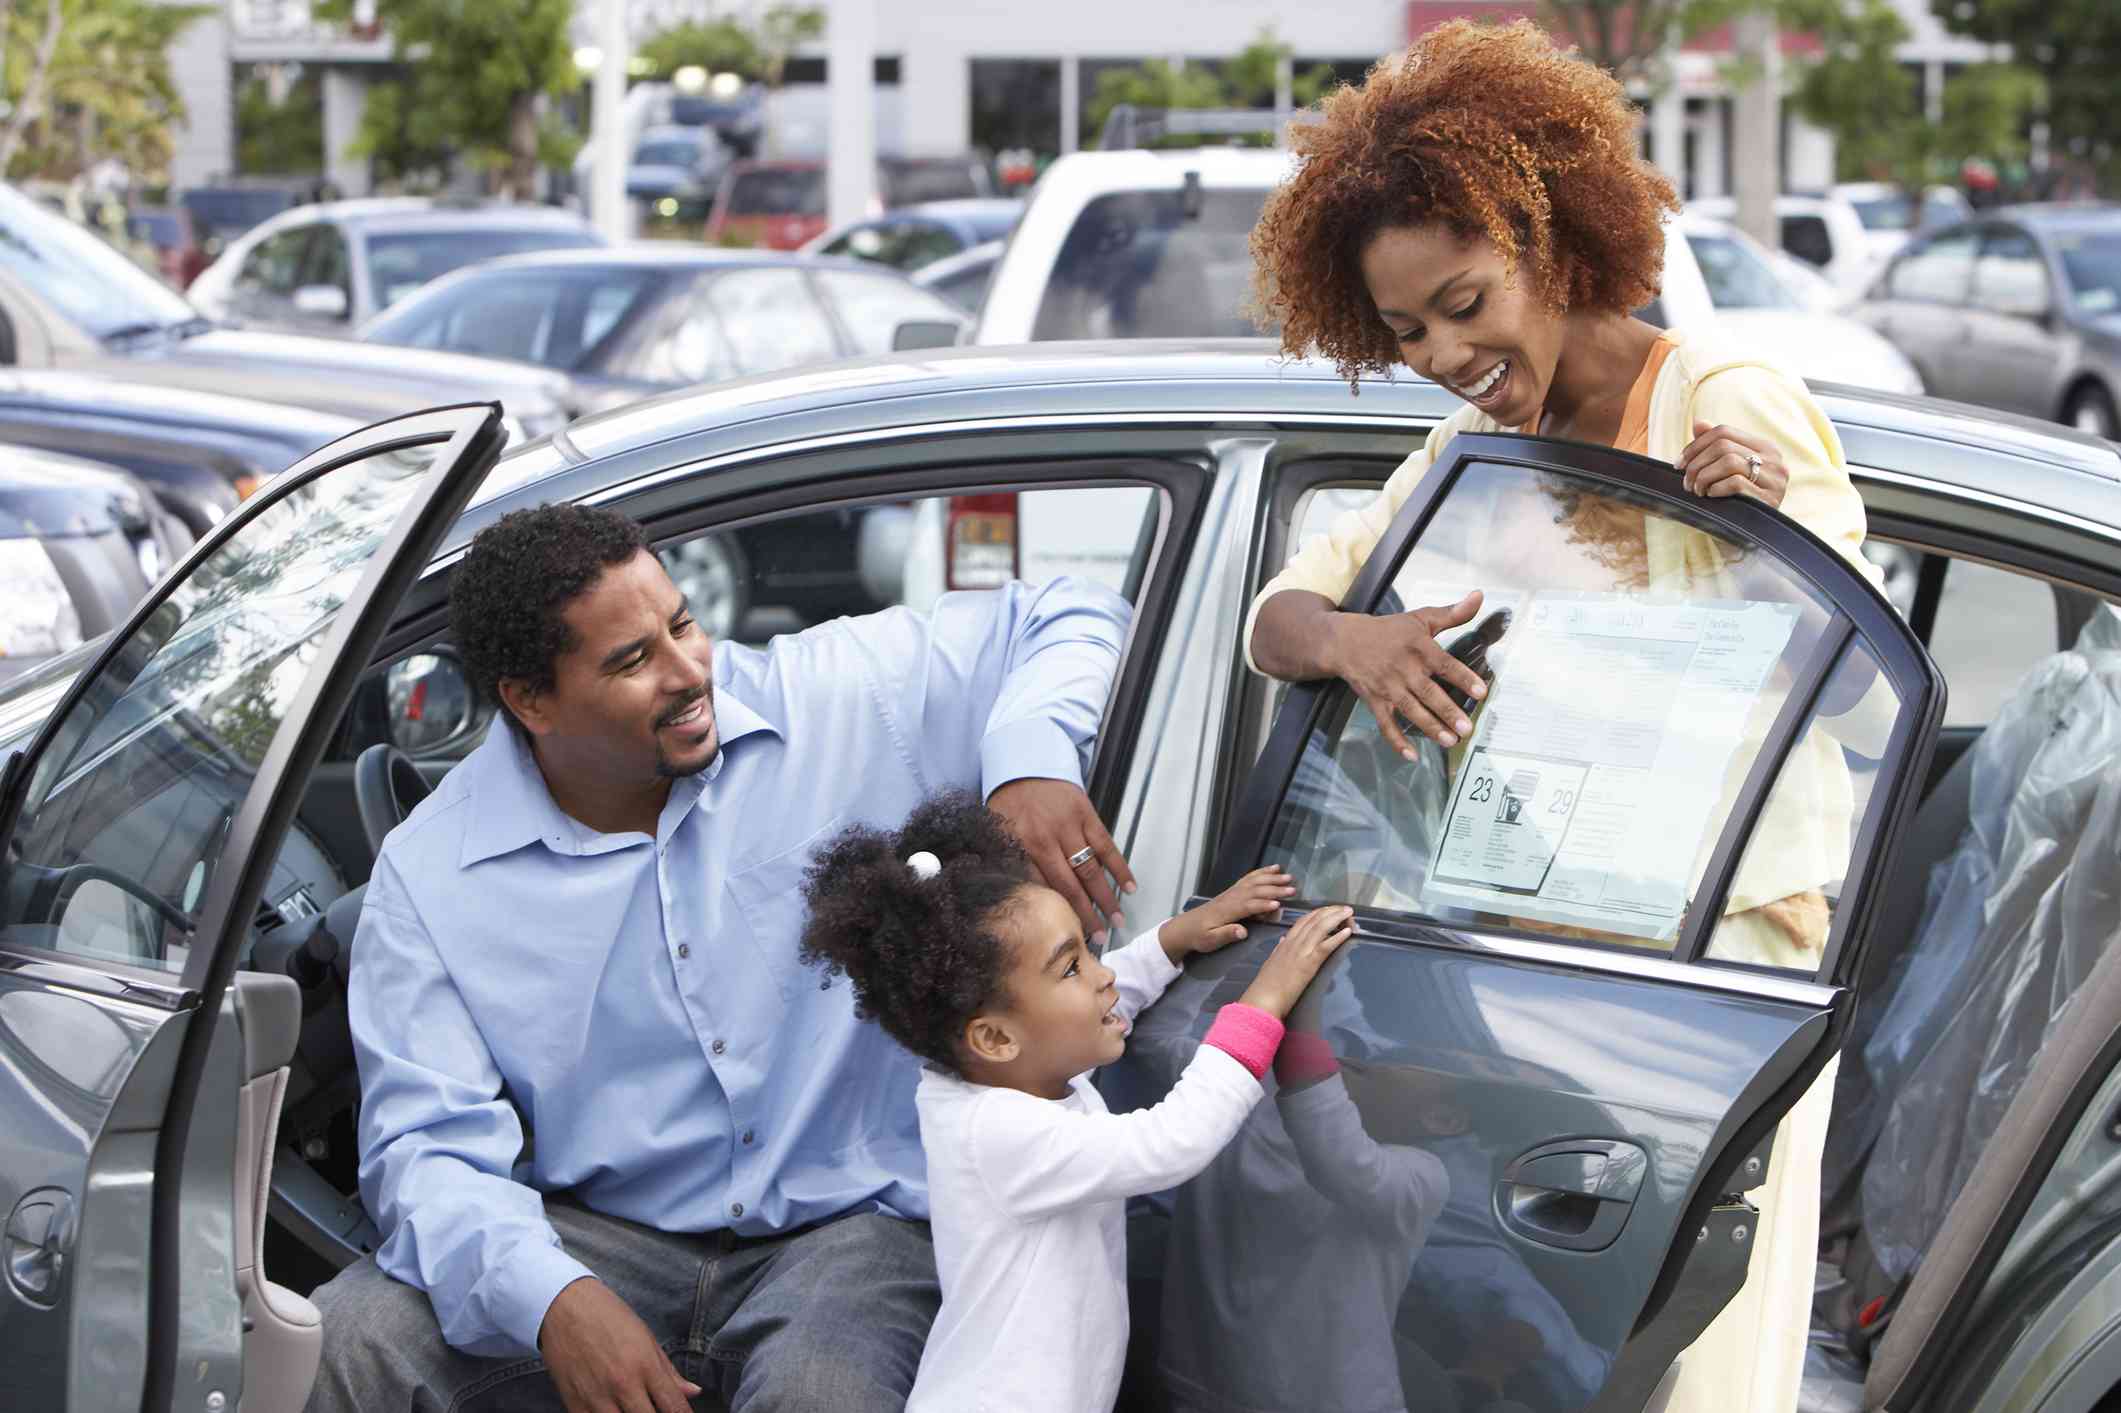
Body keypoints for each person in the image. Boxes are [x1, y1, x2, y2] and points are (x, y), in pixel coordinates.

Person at [1241, 20, 1887, 1412]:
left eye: (1465, 302)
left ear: (1551, 241)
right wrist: (1353, 644)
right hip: (1550, 980)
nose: (1443, 352)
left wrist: (1765, 531)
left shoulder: (1723, 400)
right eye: (1406, 330)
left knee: (1704, 1374)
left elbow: (1848, 687)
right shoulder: (1477, 451)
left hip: (1715, 990)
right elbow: (1276, 620)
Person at [306, 503, 1135, 1412]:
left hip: (850, 1229)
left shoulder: (838, 694)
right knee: (348, 1339)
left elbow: (1070, 609)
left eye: (682, 623)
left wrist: (1028, 763)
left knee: (823, 1393)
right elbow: (426, 1150)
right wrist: (552, 1298)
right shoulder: (429, 877)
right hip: (600, 1235)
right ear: (529, 699)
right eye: (631, 660)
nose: (688, 670)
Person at [795, 790, 1357, 1413]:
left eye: (1087, 953)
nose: (1103, 975)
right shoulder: (998, 1131)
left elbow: (1100, 999)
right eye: (1072, 967)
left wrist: (1173, 940)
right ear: (996, 1037)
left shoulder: (1018, 1073)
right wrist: (1264, 1001)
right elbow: (1170, 1142)